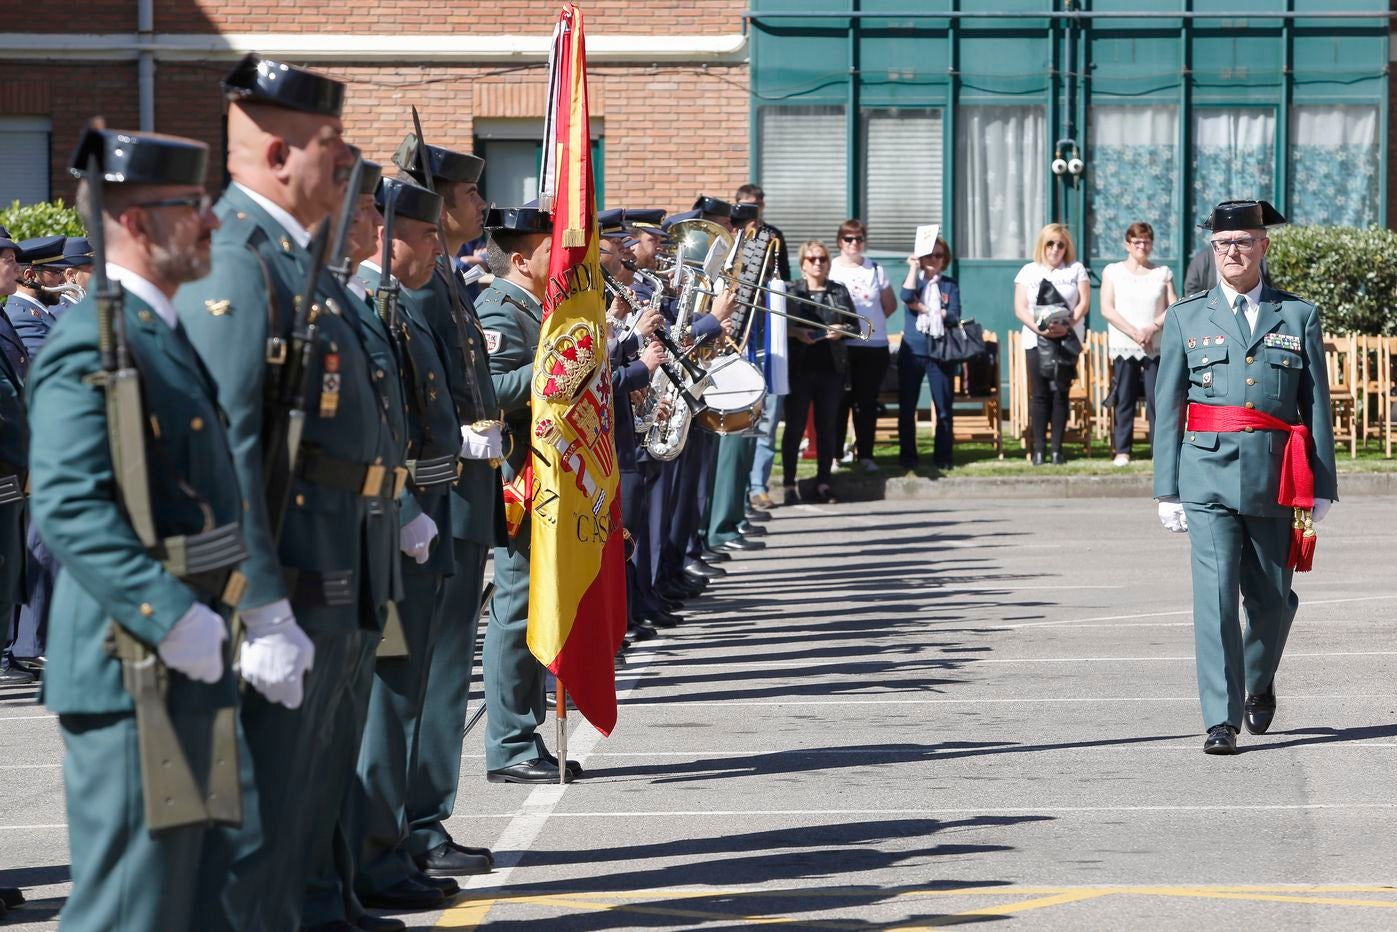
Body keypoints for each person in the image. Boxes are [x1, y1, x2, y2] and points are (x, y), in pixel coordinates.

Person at [29, 125, 259, 932]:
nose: (209, 221)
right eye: (190, 206)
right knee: (131, 906)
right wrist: (170, 616)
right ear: (134, 223)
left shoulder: (157, 331)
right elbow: (67, 503)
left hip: (184, 649)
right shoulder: (91, 338)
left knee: (192, 899)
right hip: (133, 661)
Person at [174, 54, 381, 932]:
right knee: (254, 843)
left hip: (324, 566)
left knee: (294, 821)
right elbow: (222, 453)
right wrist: (260, 605)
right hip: (279, 586)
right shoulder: (235, 260)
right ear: (272, 155)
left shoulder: (295, 262)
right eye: (329, 146)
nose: (346, 164)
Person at [1153, 199, 1338, 755]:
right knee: (1213, 598)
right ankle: (1221, 719)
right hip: (1205, 472)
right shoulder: (1187, 316)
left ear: (1264, 247)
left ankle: (1259, 679)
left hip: (1276, 477)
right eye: (1222, 244)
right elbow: (1168, 405)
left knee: (1271, 603)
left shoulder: (1298, 315)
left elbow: (1317, 406)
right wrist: (1167, 489)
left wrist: (1323, 484)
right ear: (1212, 250)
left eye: (1244, 242)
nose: (1233, 252)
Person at [392, 134, 503, 878]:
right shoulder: (421, 283)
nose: (480, 205)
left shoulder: (450, 278)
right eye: (468, 195)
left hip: (464, 495)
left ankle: (426, 817)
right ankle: (415, 824)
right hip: (439, 497)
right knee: (430, 672)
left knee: (442, 669)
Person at [477, 203, 580, 784]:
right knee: (514, 611)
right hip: (519, 477)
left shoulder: (535, 306)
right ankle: (509, 742)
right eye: (549, 250)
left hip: (547, 471)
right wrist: (555, 371)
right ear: (521, 258)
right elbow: (487, 391)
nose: (559, 259)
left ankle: (524, 734)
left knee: (536, 607)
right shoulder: (499, 306)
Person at [782, 240, 852, 504]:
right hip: (799, 369)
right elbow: (777, 326)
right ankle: (789, 484)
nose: (818, 263)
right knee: (795, 428)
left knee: (827, 428)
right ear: (802, 264)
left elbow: (854, 325)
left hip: (831, 369)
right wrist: (797, 332)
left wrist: (840, 330)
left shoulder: (839, 292)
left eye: (822, 258)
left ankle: (824, 481)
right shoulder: (791, 291)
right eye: (812, 259)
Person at [1013, 223, 1090, 465]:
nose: (1055, 249)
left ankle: (1057, 449)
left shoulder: (1076, 269)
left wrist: (1067, 325)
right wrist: (1039, 328)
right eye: (1050, 243)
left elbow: (1083, 303)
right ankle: (1039, 449)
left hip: (1066, 339)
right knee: (1039, 394)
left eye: (1060, 244)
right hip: (1036, 339)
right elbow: (1019, 307)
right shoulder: (1029, 271)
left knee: (1060, 392)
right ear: (1042, 245)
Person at [1100, 222, 1176, 465]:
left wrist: (1151, 328)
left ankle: (1159, 451)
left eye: (1147, 242)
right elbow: (1107, 308)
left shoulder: (1162, 272)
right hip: (1125, 344)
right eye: (1137, 242)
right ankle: (1122, 450)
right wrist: (1134, 332)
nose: (1142, 246)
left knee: (1157, 400)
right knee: (1124, 398)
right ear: (1127, 244)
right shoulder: (1113, 271)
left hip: (1154, 346)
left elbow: (1172, 306)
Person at [828, 219, 895, 473]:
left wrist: (869, 326)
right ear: (840, 241)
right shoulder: (832, 267)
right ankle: (834, 454)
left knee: (866, 402)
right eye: (848, 239)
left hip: (873, 345)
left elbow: (889, 305)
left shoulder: (875, 269)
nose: (854, 243)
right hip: (842, 345)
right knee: (840, 401)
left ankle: (866, 455)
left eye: (858, 239)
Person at [897, 234, 960, 472]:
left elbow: (954, 314)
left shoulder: (949, 285)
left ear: (945, 259)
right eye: (928, 255)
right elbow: (904, 296)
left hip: (940, 352)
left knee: (943, 408)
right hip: (913, 350)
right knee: (907, 407)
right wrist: (913, 267)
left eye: (939, 255)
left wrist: (926, 309)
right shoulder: (916, 281)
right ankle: (908, 457)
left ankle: (943, 456)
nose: (933, 259)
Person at [0, 227, 29, 693]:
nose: (16, 269)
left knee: (9, 566)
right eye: (8, 260)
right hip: (3, 463)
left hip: (13, 462)